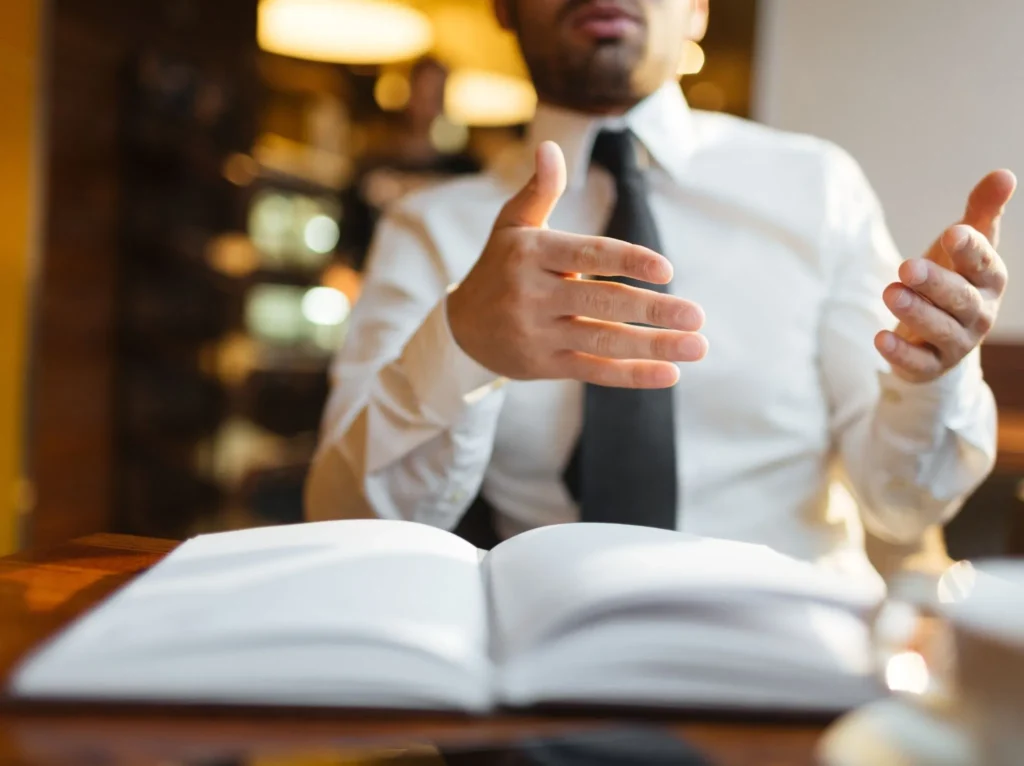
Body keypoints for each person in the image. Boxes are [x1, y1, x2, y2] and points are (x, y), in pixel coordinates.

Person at [306, 0, 1014, 581]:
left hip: (796, 661)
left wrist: (933, 376)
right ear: (503, 8)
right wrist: (459, 346)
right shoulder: (427, 229)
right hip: (551, 664)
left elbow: (903, 504)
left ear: (698, 9)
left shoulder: (820, 190)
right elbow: (346, 522)